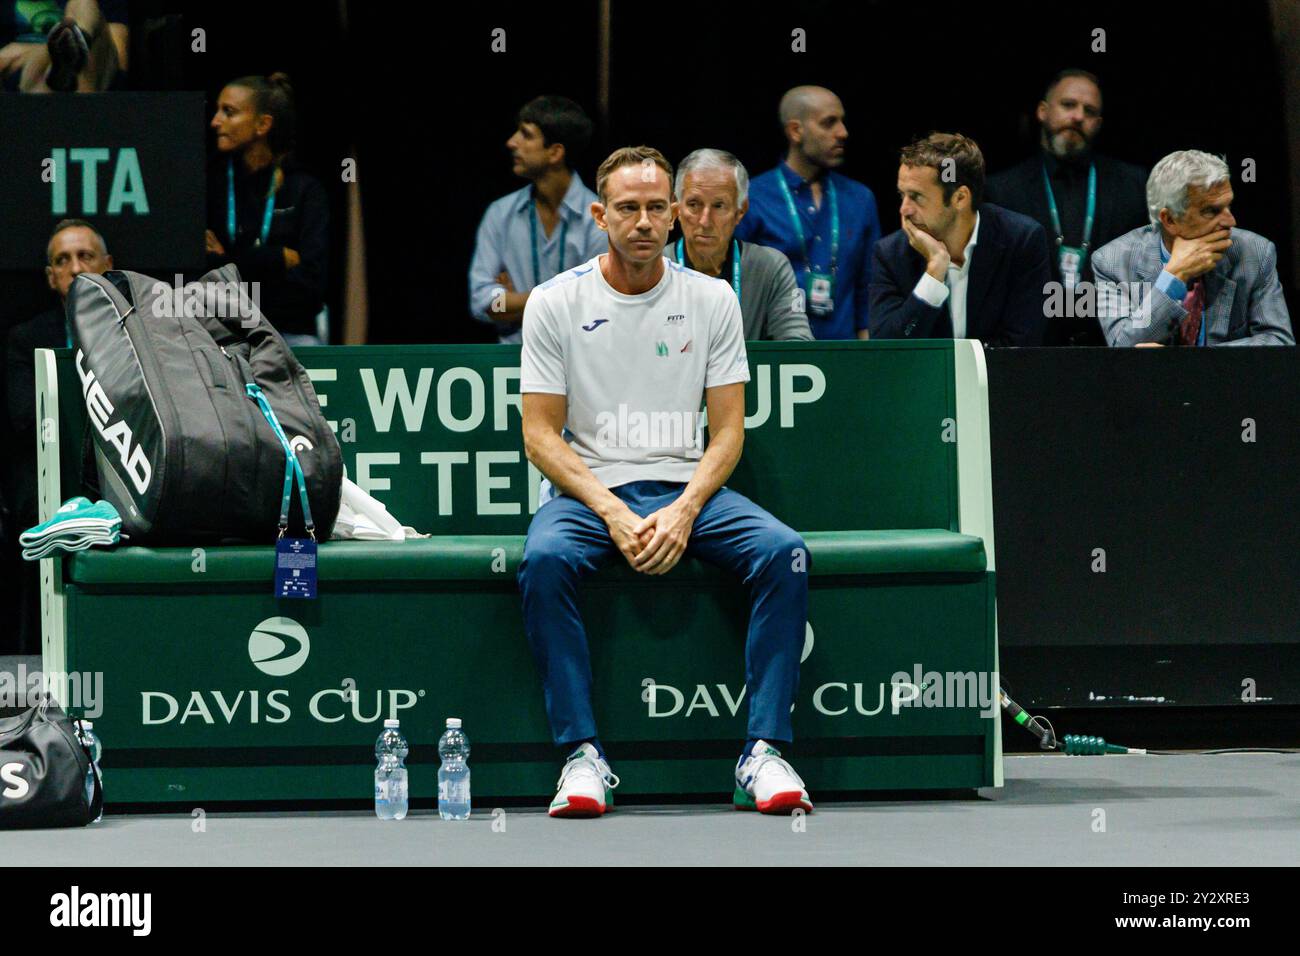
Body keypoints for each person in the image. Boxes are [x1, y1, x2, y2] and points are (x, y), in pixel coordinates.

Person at [517, 146, 813, 818]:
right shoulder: (555, 302)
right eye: (628, 208)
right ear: (600, 216)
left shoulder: (712, 299)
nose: (644, 221)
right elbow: (540, 435)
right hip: (588, 492)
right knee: (544, 560)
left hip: (687, 487)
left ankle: (764, 752)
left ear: (674, 215)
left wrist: (684, 509)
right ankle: (582, 757)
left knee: (784, 552)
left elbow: (728, 431)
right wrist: (612, 511)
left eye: (657, 207)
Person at [4, 220, 114, 654]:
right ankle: (37, 653)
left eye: (86, 256)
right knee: (32, 498)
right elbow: (25, 418)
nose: (76, 268)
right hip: (54, 463)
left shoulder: (139, 333)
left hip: (121, 462)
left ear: (108, 266)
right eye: (63, 260)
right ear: (51, 277)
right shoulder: (26, 339)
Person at [985, 69, 1148, 344]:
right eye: (1068, 105)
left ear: (1099, 123)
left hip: (1110, 348)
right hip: (1030, 349)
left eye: (1089, 111)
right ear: (1042, 111)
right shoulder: (1001, 190)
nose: (1078, 116)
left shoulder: (1134, 185)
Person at [1092, 150, 1293, 347]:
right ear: (1169, 220)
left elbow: (1278, 341)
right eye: (1211, 211)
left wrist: (1191, 362)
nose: (1230, 221)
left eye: (1228, 206)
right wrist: (1174, 277)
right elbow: (1124, 349)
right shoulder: (1112, 261)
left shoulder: (1255, 252)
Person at [869, 132, 1051, 347]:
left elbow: (1021, 346)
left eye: (916, 197)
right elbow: (887, 350)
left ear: (960, 198)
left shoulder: (1021, 241)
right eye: (902, 195)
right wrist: (934, 274)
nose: (904, 209)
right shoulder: (891, 254)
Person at [735, 86, 880, 340]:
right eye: (829, 123)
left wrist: (868, 355)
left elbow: (868, 287)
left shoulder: (860, 199)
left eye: (842, 121)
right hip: (775, 353)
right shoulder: (753, 198)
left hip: (844, 352)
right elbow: (737, 282)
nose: (843, 132)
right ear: (795, 131)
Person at [468, 95, 606, 343]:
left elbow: (595, 305)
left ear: (555, 152)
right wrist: (561, 299)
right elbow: (483, 301)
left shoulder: (598, 219)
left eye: (526, 134)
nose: (512, 142)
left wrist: (515, 302)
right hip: (513, 359)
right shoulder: (500, 214)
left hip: (576, 358)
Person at [206, 73, 329, 348]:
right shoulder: (209, 184)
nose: (215, 121)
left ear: (263, 124)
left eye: (229, 112)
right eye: (217, 110)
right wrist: (275, 258)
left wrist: (229, 262)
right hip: (225, 334)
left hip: (291, 333)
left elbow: (312, 287)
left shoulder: (305, 189)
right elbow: (201, 279)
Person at [670, 148, 812, 340]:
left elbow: (797, 346)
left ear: (740, 211)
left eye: (719, 206)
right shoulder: (653, 269)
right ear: (677, 208)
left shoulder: (771, 268)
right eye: (694, 204)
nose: (705, 221)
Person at [0, 0, 128, 92]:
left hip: (88, 74)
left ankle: (73, 47)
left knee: (84, 3)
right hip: (27, 80)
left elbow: (119, 56)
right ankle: (67, 54)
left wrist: (44, 51)